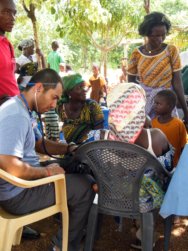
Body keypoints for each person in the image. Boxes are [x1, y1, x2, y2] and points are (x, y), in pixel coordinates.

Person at [0, 68, 95, 251]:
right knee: (85, 186)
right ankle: (63, 245)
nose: (54, 105)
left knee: (76, 164)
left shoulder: (21, 107)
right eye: (54, 97)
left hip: (18, 184)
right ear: (38, 88)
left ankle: (73, 216)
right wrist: (47, 172)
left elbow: (40, 144)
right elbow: (10, 166)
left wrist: (69, 148)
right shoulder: (16, 116)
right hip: (17, 194)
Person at [106, 82, 174, 249]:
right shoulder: (155, 137)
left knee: (135, 182)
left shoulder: (104, 136)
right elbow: (168, 168)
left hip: (115, 195)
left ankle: (137, 227)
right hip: (147, 200)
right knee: (157, 181)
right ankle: (144, 233)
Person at [127, 12, 188, 126]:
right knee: (147, 136)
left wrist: (186, 110)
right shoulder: (137, 53)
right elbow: (131, 83)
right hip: (145, 103)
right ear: (147, 34)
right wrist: (137, 105)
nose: (160, 39)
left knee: (167, 134)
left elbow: (177, 82)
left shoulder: (171, 50)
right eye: (155, 35)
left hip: (166, 105)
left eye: (163, 35)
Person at [58, 73, 104, 144]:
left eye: (83, 87)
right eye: (79, 88)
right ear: (69, 92)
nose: (84, 90)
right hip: (69, 149)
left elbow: (100, 134)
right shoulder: (61, 107)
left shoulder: (92, 106)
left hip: (90, 150)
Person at [152, 89, 187, 167]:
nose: (155, 105)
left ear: (170, 106)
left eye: (158, 104)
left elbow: (184, 146)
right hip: (156, 166)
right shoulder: (153, 123)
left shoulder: (178, 124)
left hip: (174, 166)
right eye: (155, 103)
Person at [0, 0, 19, 97]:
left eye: (14, 13)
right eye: (6, 12)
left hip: (14, 106)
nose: (12, 18)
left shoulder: (7, 43)